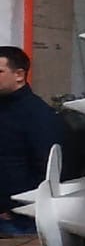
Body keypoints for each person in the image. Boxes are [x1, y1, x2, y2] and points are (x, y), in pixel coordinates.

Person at [0, 46, 64, 236]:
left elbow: (48, 168)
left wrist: (13, 209)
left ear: (19, 75)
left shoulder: (38, 115)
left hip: (18, 220)